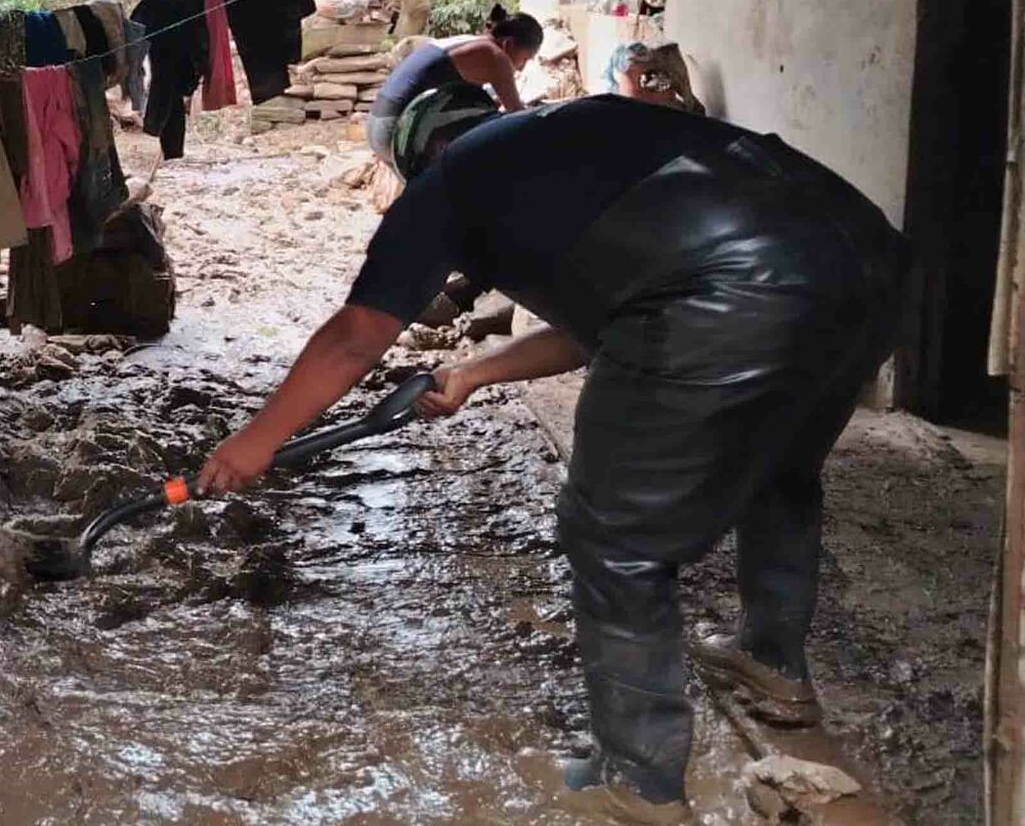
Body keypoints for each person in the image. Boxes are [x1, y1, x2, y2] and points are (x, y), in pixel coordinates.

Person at [199, 85, 907, 824]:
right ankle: (771, 663)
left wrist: (257, 441)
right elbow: (610, 317)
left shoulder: (451, 182)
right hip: (865, 261)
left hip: (737, 288)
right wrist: (473, 373)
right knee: (781, 467)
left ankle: (640, 782)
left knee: (616, 539)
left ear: (424, 154)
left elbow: (355, 337)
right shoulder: (572, 147)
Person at [364, 5, 544, 163]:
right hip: (394, 131)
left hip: (377, 124)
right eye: (525, 59)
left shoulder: (468, 42)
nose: (522, 68)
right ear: (508, 44)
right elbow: (516, 114)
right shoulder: (495, 56)